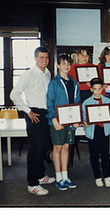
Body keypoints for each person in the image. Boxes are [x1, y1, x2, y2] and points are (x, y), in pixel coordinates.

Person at [10, 46, 55, 196]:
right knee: (35, 149)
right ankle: (32, 183)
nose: (44, 60)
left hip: (46, 113)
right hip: (33, 113)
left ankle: (40, 176)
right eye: (41, 57)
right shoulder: (28, 74)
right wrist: (28, 111)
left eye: (46, 57)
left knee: (43, 147)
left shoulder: (47, 73)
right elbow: (14, 94)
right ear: (35, 58)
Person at [46, 54, 81, 191]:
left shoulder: (74, 83)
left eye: (68, 63)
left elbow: (77, 103)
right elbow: (49, 103)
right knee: (58, 148)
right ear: (58, 65)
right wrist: (54, 120)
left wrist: (77, 120)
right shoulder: (54, 83)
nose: (66, 66)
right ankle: (58, 177)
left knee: (66, 148)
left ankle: (66, 176)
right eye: (63, 63)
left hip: (71, 122)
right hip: (57, 122)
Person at [82, 78, 110, 187]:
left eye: (99, 88)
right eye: (95, 89)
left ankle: (107, 176)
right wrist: (85, 123)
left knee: (105, 154)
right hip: (92, 131)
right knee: (94, 155)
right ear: (91, 89)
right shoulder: (86, 102)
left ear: (102, 88)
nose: (97, 91)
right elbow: (83, 117)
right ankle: (97, 177)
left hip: (104, 130)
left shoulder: (107, 101)